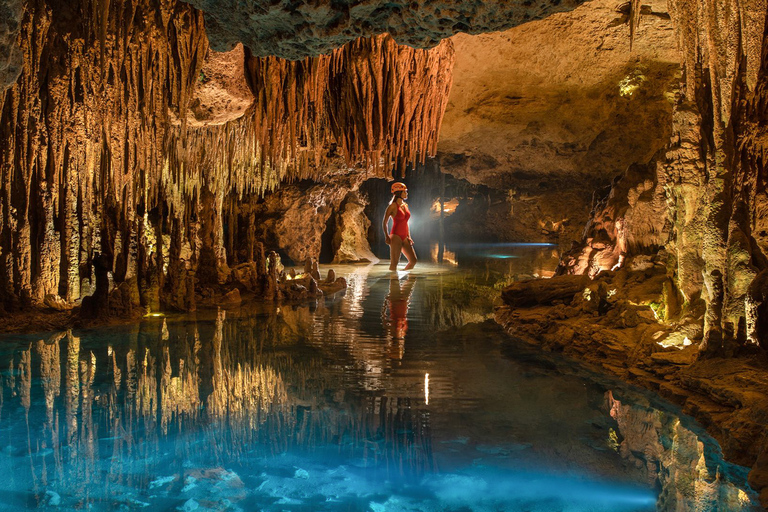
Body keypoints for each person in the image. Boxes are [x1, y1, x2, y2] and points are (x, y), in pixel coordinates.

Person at [383, 182, 417, 271]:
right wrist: (387, 236)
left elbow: (406, 222)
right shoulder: (392, 206)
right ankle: (393, 282)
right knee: (394, 263)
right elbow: (384, 222)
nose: (406, 193)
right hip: (395, 236)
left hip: (405, 237)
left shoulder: (406, 205)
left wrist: (409, 237)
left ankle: (404, 281)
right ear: (399, 193)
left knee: (413, 261)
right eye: (405, 191)